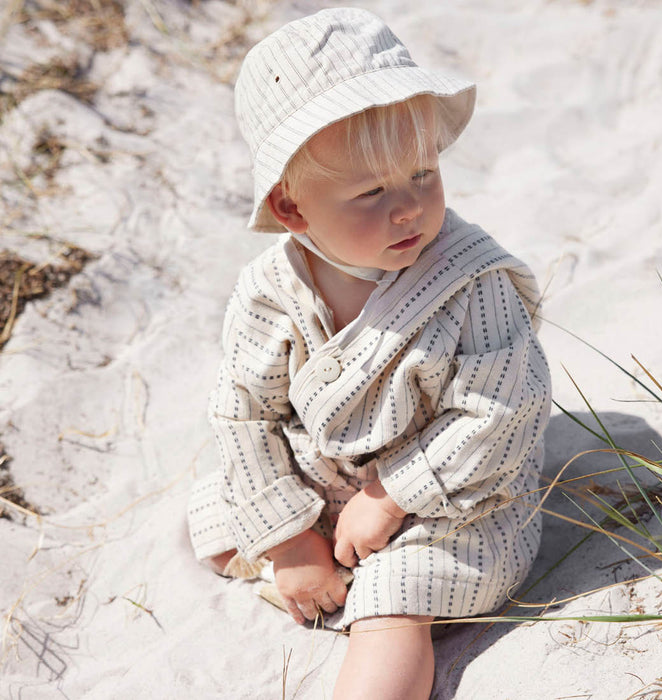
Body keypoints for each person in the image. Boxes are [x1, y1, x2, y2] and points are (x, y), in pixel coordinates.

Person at [187, 8, 551, 699]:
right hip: (329, 481)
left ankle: (374, 605)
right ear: (292, 210)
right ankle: (315, 566)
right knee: (215, 523)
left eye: (422, 172)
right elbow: (243, 415)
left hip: (448, 495)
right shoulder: (269, 292)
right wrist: (292, 540)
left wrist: (389, 499)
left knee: (393, 605)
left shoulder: (468, 281)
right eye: (373, 192)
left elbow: (504, 409)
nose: (409, 208)